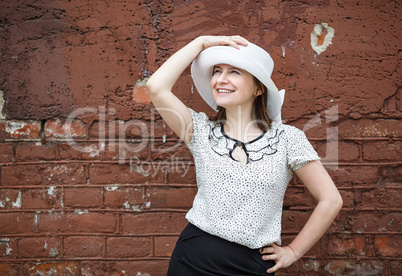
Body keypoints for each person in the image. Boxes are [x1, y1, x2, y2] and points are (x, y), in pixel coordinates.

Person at [146, 35, 343, 275]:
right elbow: (156, 87)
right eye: (217, 71)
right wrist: (200, 43)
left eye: (235, 72)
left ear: (259, 87)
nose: (221, 79)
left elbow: (331, 200)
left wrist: (293, 251)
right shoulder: (200, 131)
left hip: (250, 267)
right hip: (192, 261)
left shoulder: (288, 139)